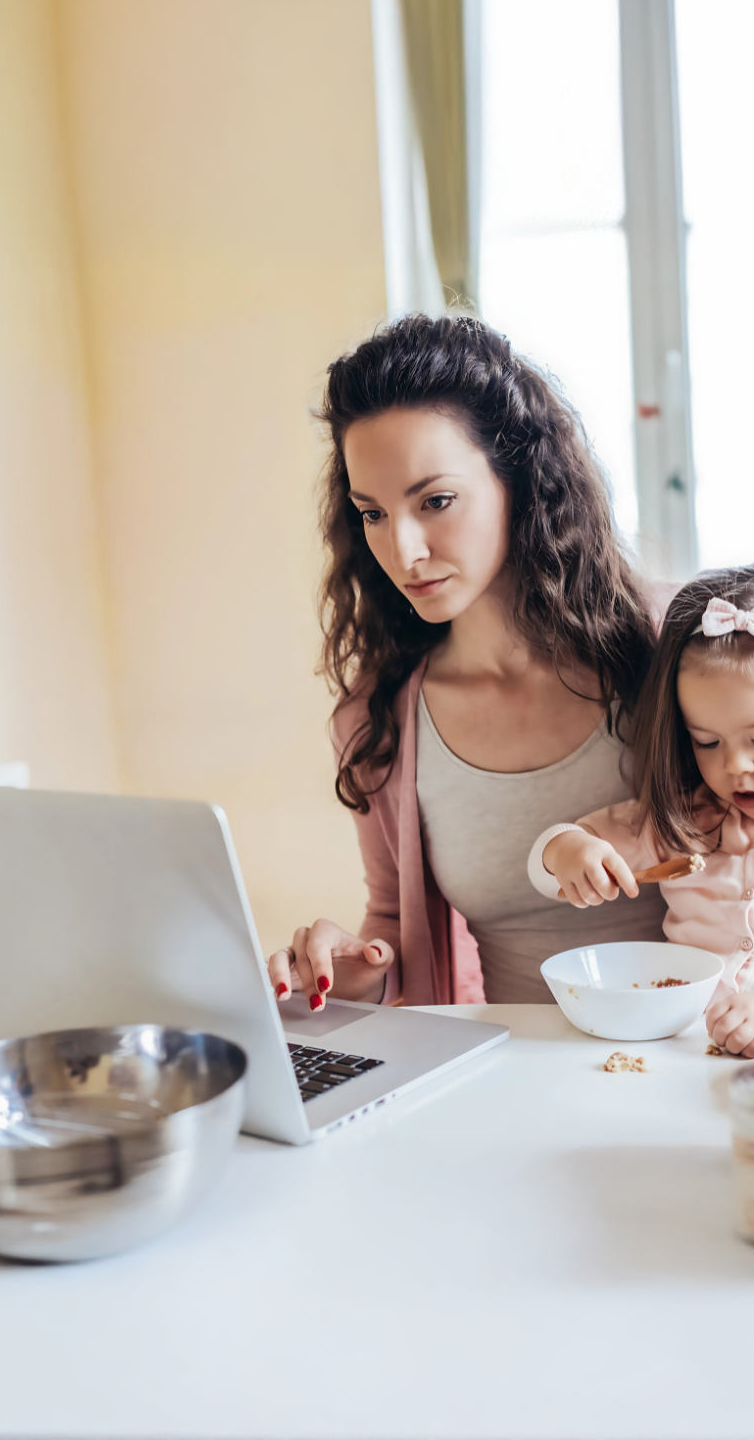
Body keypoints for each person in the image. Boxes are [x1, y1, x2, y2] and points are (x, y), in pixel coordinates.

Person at [267, 313, 668, 1011]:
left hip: (706, 1065)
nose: (404, 551)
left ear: (522, 478)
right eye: (374, 513)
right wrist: (348, 967)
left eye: (436, 501)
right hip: (510, 1083)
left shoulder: (673, 645)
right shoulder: (378, 720)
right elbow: (393, 927)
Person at [530, 556, 754, 1058]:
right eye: (706, 742)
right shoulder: (686, 822)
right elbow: (555, 855)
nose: (735, 766)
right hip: (679, 1056)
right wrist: (566, 852)